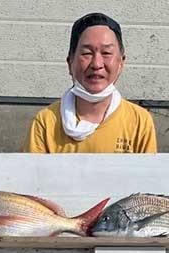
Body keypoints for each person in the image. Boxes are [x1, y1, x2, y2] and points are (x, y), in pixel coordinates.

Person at [24, 13, 156, 154]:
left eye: (106, 53)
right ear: (70, 63)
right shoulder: (46, 122)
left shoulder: (139, 122)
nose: (97, 64)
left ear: (121, 63)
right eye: (87, 53)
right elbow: (33, 175)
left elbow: (148, 175)